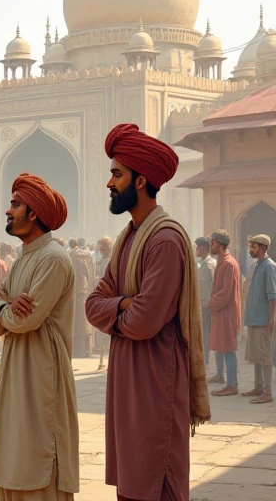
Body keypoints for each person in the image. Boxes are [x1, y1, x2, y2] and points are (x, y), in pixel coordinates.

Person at [85, 124, 210, 501]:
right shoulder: (130, 237)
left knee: (157, 482)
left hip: (156, 381)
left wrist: (118, 307)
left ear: (140, 181)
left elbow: (143, 321)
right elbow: (92, 303)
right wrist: (123, 303)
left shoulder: (165, 240)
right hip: (128, 379)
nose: (109, 183)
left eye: (116, 174)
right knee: (132, 484)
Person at [0, 173, 79, 501]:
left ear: (33, 213)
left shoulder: (53, 257)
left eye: (15, 204)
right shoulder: (25, 256)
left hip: (42, 373)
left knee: (38, 459)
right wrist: (4, 303)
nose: (8, 211)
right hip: (17, 370)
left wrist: (4, 306)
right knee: (15, 455)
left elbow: (24, 320)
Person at [207, 230, 242, 396]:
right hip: (221, 312)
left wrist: (211, 302)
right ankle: (224, 378)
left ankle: (232, 384)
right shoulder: (222, 262)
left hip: (226, 312)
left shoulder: (228, 264)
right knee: (222, 345)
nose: (210, 246)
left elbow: (226, 292)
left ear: (219, 244)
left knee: (228, 348)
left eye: (212, 243)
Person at [242, 234, 275, 404]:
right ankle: (258, 387)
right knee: (255, 355)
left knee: (265, 356)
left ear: (262, 247)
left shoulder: (269, 267)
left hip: (263, 319)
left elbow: (272, 296)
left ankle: (267, 392)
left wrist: (271, 319)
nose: (250, 250)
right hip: (253, 318)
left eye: (252, 247)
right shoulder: (256, 265)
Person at [68, 238, 96, 359]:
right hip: (85, 289)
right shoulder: (88, 255)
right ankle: (86, 349)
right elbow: (92, 272)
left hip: (72, 291)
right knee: (85, 319)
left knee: (74, 320)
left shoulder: (68, 255)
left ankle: (77, 349)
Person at [194, 237, 216, 372]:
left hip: (206, 306)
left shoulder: (209, 265)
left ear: (203, 248)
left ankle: (206, 363)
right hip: (202, 304)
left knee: (205, 335)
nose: (196, 250)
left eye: (197, 247)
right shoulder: (203, 263)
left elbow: (214, 285)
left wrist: (209, 302)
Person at [95, 236, 114, 370]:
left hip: (107, 299)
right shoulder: (104, 262)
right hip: (107, 299)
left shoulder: (109, 262)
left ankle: (105, 360)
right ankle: (103, 360)